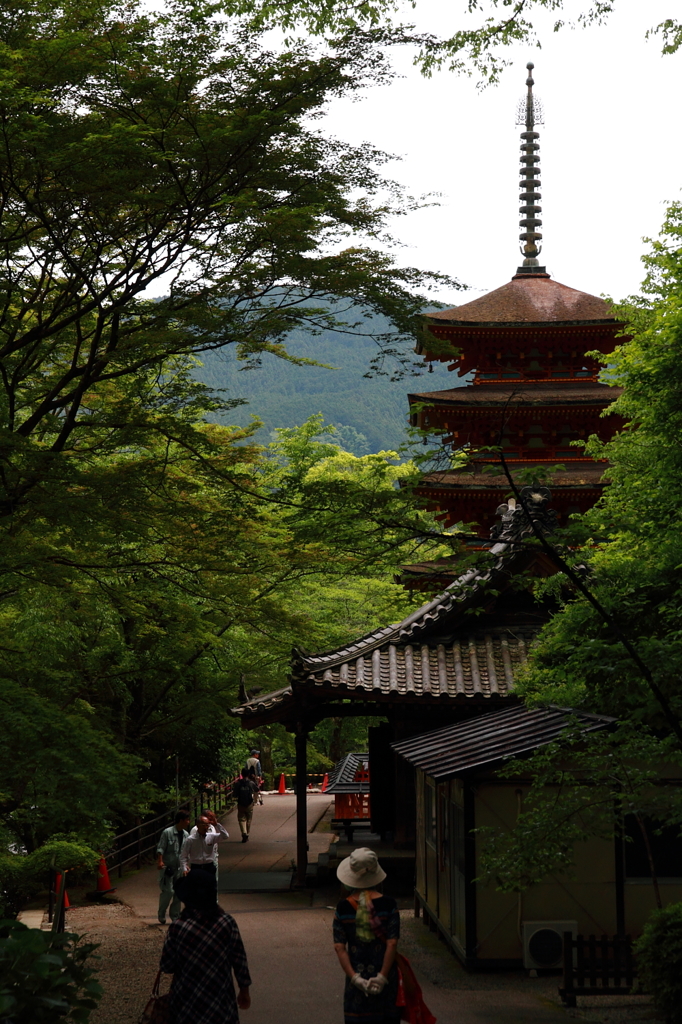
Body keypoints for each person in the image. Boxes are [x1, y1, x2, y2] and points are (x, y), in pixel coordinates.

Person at [160, 869, 252, 1024]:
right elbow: (239, 960)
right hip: (221, 1004)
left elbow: (167, 966)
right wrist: (244, 991)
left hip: (186, 1004)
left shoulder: (178, 927)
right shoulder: (226, 923)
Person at [333, 848, 401, 1024]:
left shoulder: (343, 908)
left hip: (356, 978)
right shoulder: (389, 905)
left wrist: (355, 978)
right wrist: (382, 977)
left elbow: (339, 947)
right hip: (386, 981)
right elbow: (392, 943)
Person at [179, 810, 228, 895]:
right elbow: (183, 855)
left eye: (207, 825)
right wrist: (184, 868)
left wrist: (216, 824)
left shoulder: (211, 837)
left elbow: (225, 836)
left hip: (209, 866)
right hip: (196, 867)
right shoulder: (190, 840)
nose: (206, 827)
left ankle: (211, 906)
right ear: (198, 825)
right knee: (197, 891)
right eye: (204, 825)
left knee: (210, 890)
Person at [156, 810, 191, 925]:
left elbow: (186, 852)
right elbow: (161, 847)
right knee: (168, 891)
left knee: (179, 893)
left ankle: (175, 915)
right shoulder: (167, 832)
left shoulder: (186, 835)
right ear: (181, 820)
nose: (188, 822)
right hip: (168, 867)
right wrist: (160, 861)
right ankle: (161, 912)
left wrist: (186, 866)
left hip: (180, 868)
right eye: (187, 819)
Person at [232, 769, 258, 843]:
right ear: (249, 774)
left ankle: (244, 832)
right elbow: (257, 789)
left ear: (242, 774)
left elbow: (235, 794)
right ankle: (247, 833)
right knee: (249, 819)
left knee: (241, 819)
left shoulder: (238, 783)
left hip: (240, 803)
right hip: (249, 803)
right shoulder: (250, 783)